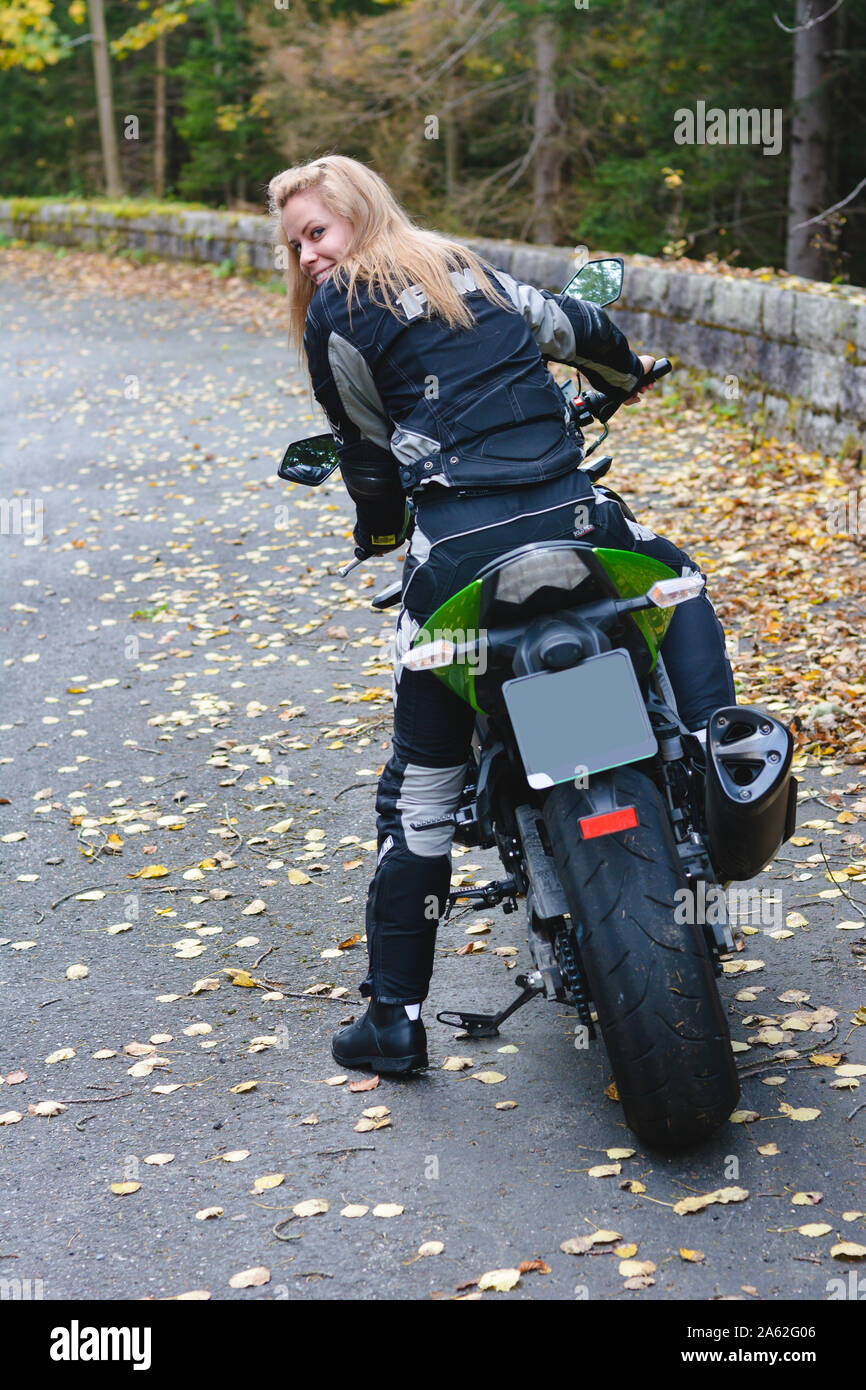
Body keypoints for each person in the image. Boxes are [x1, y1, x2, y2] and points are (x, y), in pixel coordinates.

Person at [267, 155, 735, 1075]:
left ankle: (394, 1019)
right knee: (678, 583)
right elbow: (580, 325)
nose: (310, 256)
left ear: (360, 213)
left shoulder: (335, 316)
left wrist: (377, 528)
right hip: (575, 521)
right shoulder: (463, 266)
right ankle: (723, 753)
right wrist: (626, 369)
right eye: (294, 244)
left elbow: (367, 456)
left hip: (460, 561)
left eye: (317, 232)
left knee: (421, 798)